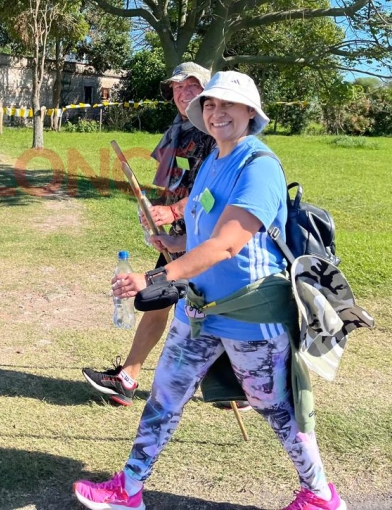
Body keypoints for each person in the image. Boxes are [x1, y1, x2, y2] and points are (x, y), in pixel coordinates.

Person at [73, 71, 346, 510]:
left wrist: (155, 278)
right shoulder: (213, 161)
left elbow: (227, 244)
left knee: (274, 408)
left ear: (250, 112)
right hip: (199, 311)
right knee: (164, 397)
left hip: (251, 314)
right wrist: (175, 241)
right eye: (211, 105)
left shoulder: (259, 166)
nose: (217, 113)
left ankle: (320, 495)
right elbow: (206, 232)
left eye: (228, 105)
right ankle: (129, 488)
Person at [81, 62, 216, 407]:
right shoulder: (179, 130)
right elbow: (178, 182)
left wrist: (173, 212)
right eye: (177, 88)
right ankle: (127, 378)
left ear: (207, 91)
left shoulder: (216, 133)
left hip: (211, 240)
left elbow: (211, 193)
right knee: (159, 300)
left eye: (191, 86)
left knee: (208, 312)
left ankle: (234, 386)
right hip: (179, 237)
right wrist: (156, 211)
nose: (183, 94)